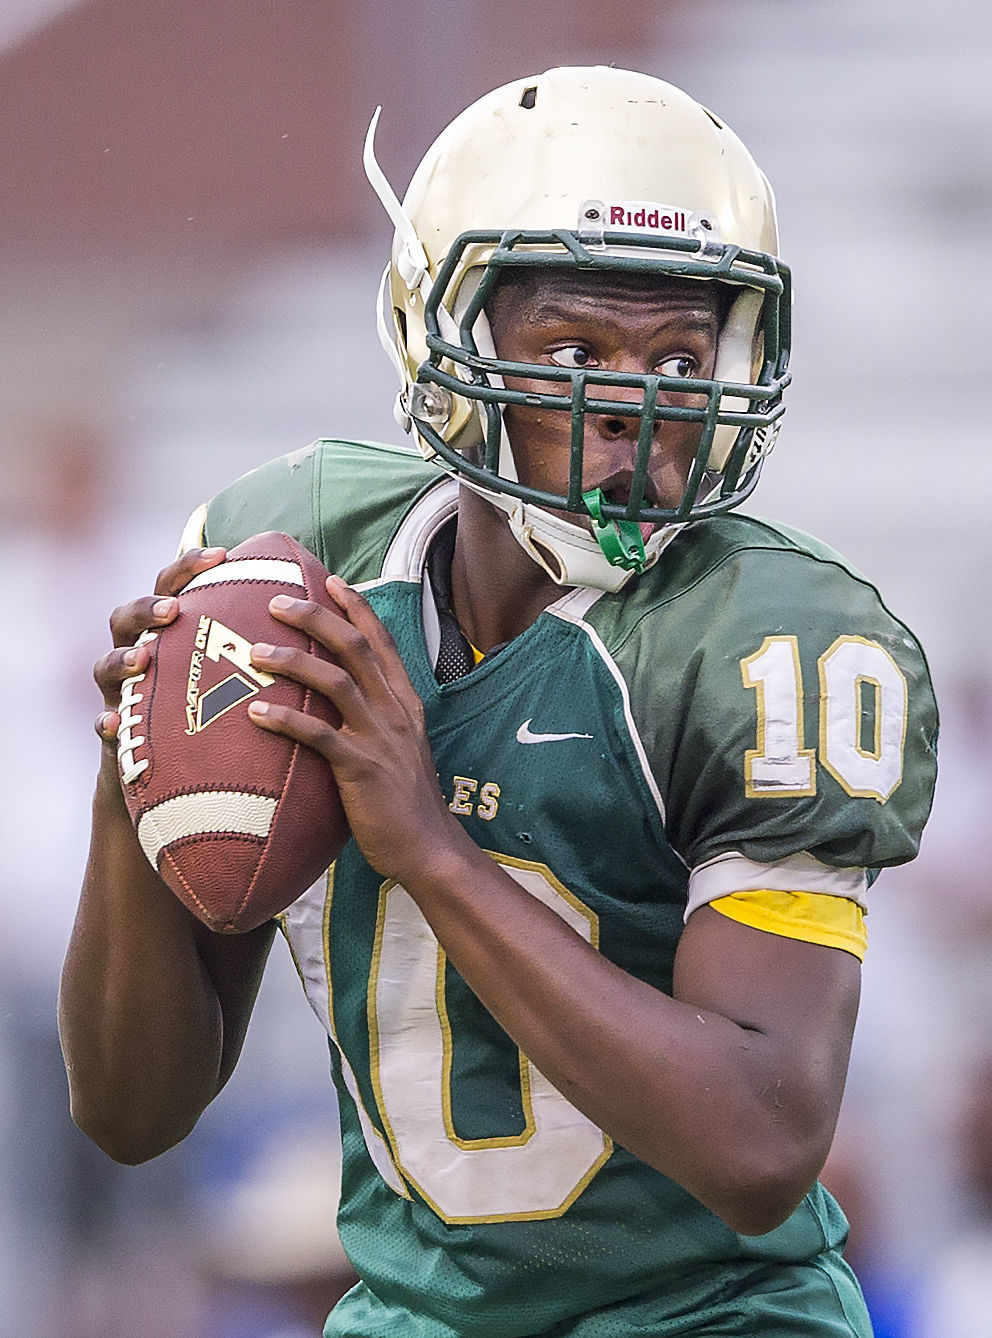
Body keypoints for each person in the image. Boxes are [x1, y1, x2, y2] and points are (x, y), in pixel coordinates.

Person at [60, 67, 938, 1337]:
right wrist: (133, 768)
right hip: (414, 1314)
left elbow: (759, 1144)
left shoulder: (770, 647)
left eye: (679, 355)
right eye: (574, 349)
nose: (630, 406)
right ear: (444, 344)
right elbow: (130, 1114)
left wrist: (427, 848)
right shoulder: (300, 560)